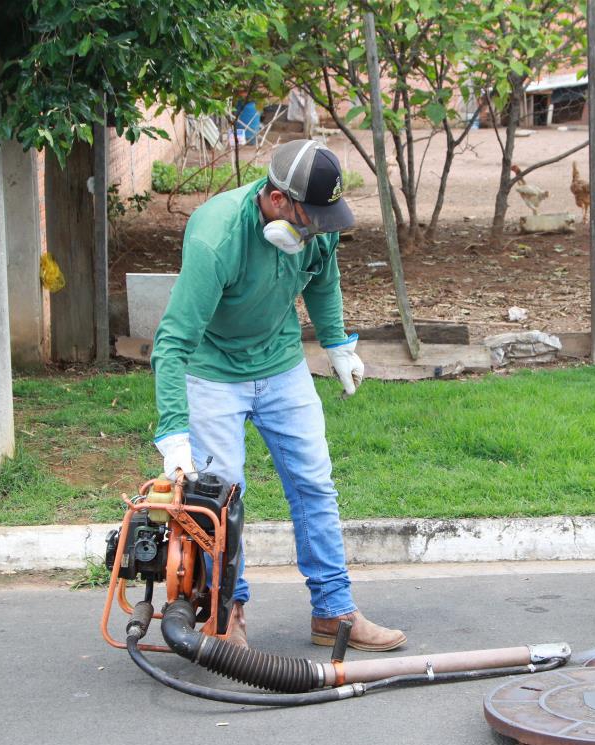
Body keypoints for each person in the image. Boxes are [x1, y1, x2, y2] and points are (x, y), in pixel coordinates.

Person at [150, 139, 406, 652]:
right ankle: (228, 616)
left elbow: (323, 279)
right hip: (213, 372)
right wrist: (174, 433)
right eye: (310, 218)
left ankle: (335, 612)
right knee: (219, 501)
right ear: (276, 199)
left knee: (315, 484)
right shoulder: (216, 237)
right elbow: (172, 343)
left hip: (282, 364)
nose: (318, 229)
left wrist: (336, 344)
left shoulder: (316, 228)